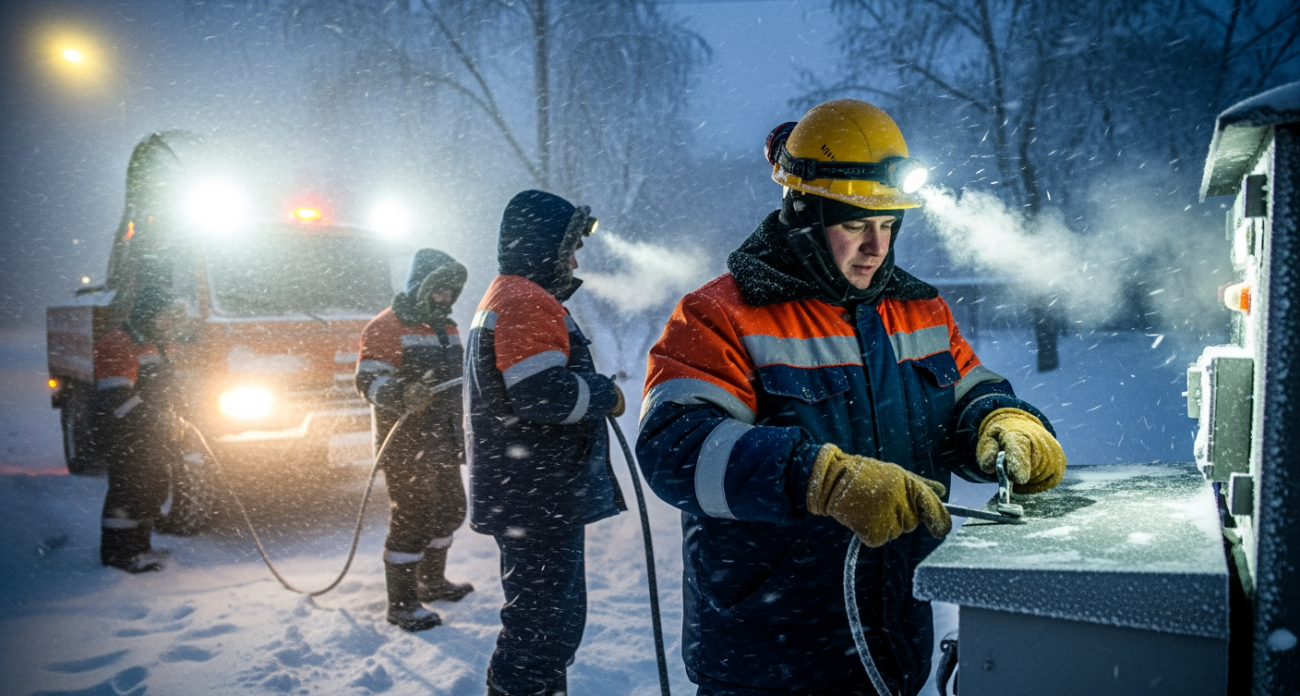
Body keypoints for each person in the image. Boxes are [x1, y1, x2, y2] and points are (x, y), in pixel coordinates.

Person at [635, 99, 1068, 696]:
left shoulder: (920, 309)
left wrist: (1004, 421)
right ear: (804, 213)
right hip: (768, 655)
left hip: (893, 638)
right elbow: (675, 449)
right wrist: (819, 478)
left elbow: (967, 389)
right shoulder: (720, 314)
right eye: (856, 224)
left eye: (889, 225)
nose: (877, 247)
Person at [465, 190, 628, 696]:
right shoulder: (524, 300)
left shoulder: (508, 294)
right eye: (568, 248)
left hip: (529, 491)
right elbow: (540, 395)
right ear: (542, 246)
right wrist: (604, 393)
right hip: (537, 495)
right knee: (542, 631)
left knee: (544, 625)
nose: (575, 261)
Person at [356, 249, 474, 632]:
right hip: (406, 442)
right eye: (438, 290)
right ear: (420, 286)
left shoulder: (448, 327)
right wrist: (402, 393)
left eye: (450, 292)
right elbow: (369, 380)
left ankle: (432, 581)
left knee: (452, 510)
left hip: (443, 439)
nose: (444, 298)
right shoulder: (386, 326)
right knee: (413, 518)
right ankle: (403, 603)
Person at [94, 286, 186, 573]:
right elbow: (117, 400)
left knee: (153, 488)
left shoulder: (157, 341)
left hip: (149, 433)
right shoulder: (118, 343)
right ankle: (118, 555)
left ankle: (140, 547)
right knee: (128, 491)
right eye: (164, 317)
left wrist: (176, 414)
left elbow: (165, 386)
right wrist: (160, 418)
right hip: (124, 432)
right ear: (148, 315)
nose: (169, 323)